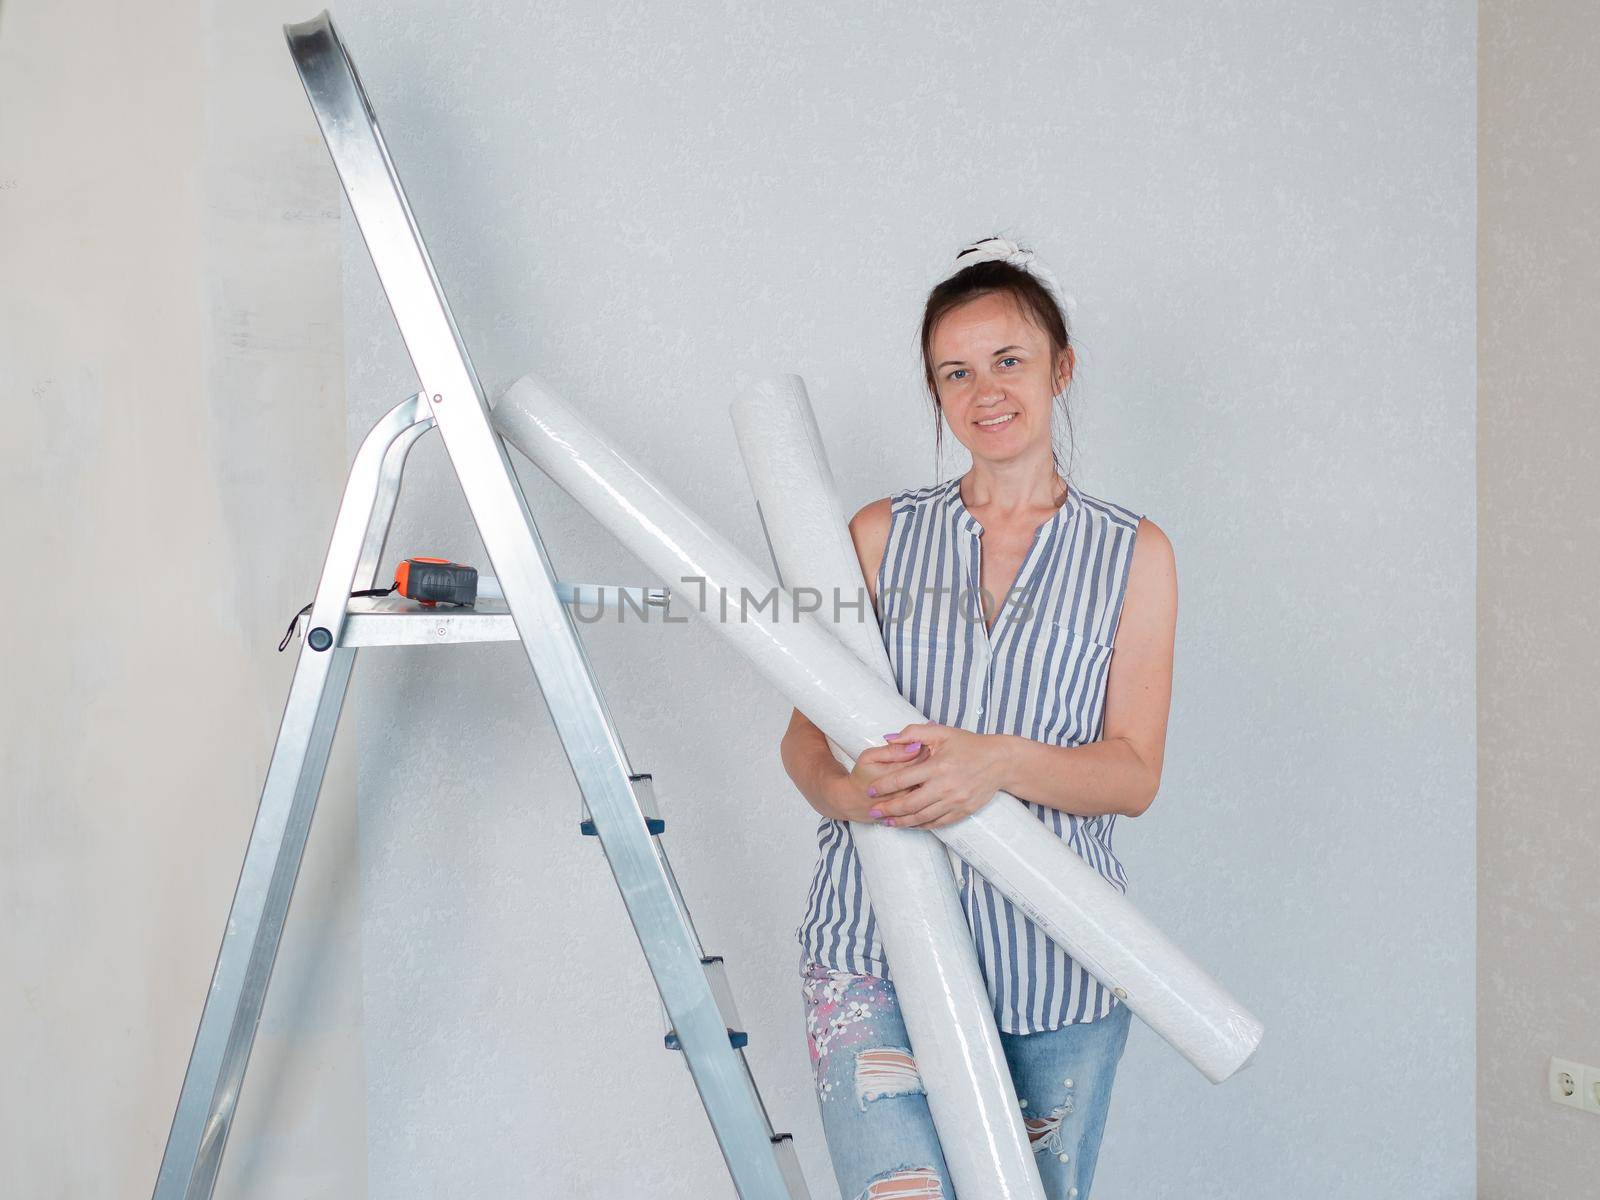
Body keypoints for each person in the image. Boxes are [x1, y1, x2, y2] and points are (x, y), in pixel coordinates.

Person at [780, 236, 1178, 1199]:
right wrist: (852, 795)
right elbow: (802, 737)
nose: (985, 391)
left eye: (1009, 361)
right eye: (955, 373)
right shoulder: (877, 538)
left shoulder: (1136, 556)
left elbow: (1132, 775)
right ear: (937, 394)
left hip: (1060, 974)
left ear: (1060, 369)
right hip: (871, 954)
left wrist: (995, 762)